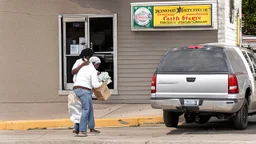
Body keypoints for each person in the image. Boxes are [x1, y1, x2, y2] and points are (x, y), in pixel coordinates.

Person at [72, 48, 102, 137]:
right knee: (85, 109)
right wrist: (102, 83)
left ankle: (88, 128)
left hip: (77, 88)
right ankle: (81, 130)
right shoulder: (88, 67)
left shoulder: (86, 67)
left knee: (87, 109)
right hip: (84, 90)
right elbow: (95, 84)